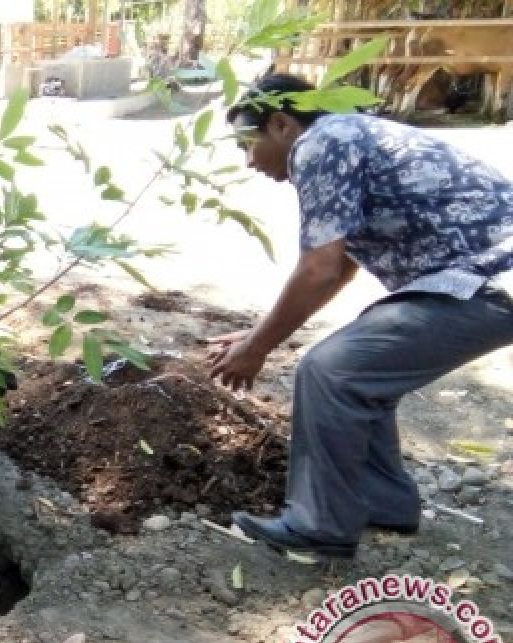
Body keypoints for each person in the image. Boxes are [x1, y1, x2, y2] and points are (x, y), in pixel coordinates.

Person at [209, 72, 513, 560]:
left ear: (283, 124)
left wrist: (258, 349)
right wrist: (259, 333)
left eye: (249, 144)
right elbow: (342, 266)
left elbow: (320, 269)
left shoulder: (322, 143)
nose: (248, 162)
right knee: (360, 371)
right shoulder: (351, 136)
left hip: (487, 277)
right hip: (475, 278)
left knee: (333, 370)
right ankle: (382, 502)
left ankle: (319, 525)